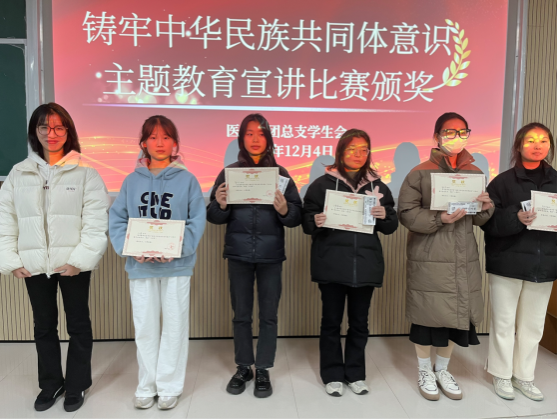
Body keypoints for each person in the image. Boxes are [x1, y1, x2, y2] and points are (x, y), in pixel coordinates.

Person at [0, 103, 110, 412]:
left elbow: (95, 222)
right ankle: (51, 384)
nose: (52, 133)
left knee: (78, 325)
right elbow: (5, 219)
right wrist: (11, 260)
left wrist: (80, 261)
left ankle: (76, 385)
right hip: (33, 265)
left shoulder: (86, 172)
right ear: (34, 132)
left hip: (72, 264)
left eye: (59, 127)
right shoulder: (18, 173)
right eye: (44, 127)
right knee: (44, 326)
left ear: (68, 131)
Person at [109, 115, 206, 410]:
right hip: (140, 266)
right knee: (145, 327)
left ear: (175, 143)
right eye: (153, 137)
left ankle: (169, 386)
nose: (159, 143)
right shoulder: (131, 181)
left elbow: (196, 220)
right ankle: (146, 385)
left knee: (175, 326)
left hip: (176, 265)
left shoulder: (188, 180)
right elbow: (117, 219)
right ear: (143, 143)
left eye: (166, 137)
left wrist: (177, 249)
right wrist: (129, 248)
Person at [397, 112, 494, 401]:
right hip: (430, 255)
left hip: (463, 256)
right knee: (427, 317)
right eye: (449, 132)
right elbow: (407, 214)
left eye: (462, 132)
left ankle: (442, 369)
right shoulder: (419, 172)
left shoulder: (474, 173)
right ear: (437, 136)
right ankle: (424, 370)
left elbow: (479, 219)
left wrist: (486, 207)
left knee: (456, 317)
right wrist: (440, 218)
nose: (456, 137)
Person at [207, 114, 302, 398]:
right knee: (241, 315)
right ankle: (243, 367)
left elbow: (296, 216)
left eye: (261, 133)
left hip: (271, 256)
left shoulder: (281, 175)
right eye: (249, 133)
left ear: (268, 138)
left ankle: (262, 368)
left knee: (269, 315)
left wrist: (285, 210)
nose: (255, 139)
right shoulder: (229, 173)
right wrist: (221, 204)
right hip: (238, 254)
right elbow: (213, 215)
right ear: (241, 139)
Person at [302, 129, 399, 397]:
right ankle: (332, 374)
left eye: (364, 149)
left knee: (359, 324)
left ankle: (355, 374)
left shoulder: (378, 187)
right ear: (340, 151)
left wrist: (384, 215)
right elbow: (306, 221)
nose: (359, 154)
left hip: (365, 265)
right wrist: (315, 220)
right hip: (331, 264)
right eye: (352, 149)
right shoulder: (322, 185)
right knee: (331, 322)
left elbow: (391, 225)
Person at [481, 123, 557, 402]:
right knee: (503, 323)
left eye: (544, 140)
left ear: (550, 146)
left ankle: (524, 376)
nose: (537, 145)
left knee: (533, 327)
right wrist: (516, 217)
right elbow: (487, 222)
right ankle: (501, 374)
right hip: (507, 264)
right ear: (518, 145)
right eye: (531, 140)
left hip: (544, 264)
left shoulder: (556, 180)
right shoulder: (502, 182)